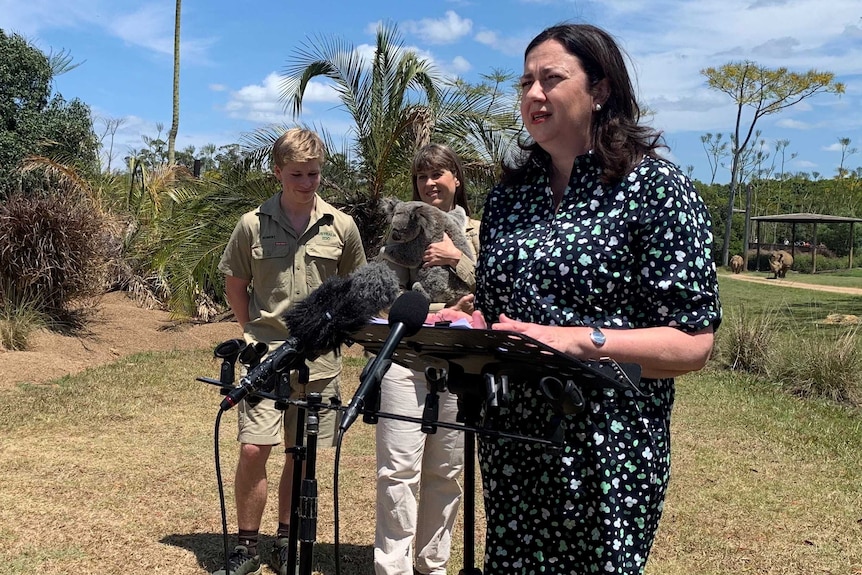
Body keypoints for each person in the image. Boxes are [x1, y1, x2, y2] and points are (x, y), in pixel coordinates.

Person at [468, 24, 722, 575]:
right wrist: (463, 320)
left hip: (609, 446)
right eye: (526, 81)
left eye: (552, 79)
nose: (534, 94)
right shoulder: (509, 199)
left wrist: (577, 341)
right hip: (514, 441)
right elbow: (494, 312)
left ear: (600, 89)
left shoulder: (654, 188)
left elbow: (693, 341)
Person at [216, 128, 366, 575]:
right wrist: (250, 333)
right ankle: (246, 546)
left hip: (319, 364)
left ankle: (286, 540)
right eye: (297, 174)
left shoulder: (341, 226)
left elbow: (353, 290)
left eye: (314, 174)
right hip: (265, 362)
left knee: (301, 454)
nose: (306, 183)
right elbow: (235, 286)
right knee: (252, 450)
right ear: (277, 172)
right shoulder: (251, 225)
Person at [374, 143, 480, 575]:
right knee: (397, 469)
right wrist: (440, 312)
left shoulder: (479, 230)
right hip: (406, 358)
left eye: (438, 174)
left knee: (446, 471)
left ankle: (432, 566)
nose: (430, 183)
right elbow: (383, 296)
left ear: (456, 178)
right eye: (422, 176)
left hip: (460, 362)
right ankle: (392, 569)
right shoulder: (404, 227)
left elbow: (503, 290)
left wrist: (459, 259)